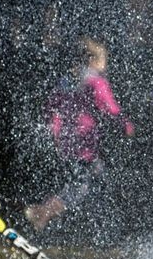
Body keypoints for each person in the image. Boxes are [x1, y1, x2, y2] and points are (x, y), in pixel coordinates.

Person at [26, 37, 135, 231]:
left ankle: (98, 227)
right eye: (104, 60)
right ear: (93, 61)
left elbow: (50, 108)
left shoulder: (65, 82)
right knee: (81, 187)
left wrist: (54, 130)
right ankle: (42, 212)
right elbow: (109, 107)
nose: (105, 65)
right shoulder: (95, 82)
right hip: (84, 145)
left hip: (67, 144)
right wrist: (126, 124)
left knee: (96, 180)